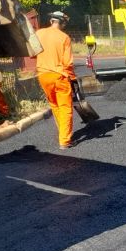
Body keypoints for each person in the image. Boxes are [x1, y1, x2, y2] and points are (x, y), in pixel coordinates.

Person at [35, 11, 76, 149]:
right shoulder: (64, 37)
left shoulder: (39, 33)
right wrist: (72, 78)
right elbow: (67, 62)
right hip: (59, 76)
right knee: (65, 107)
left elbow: (33, 53)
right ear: (62, 22)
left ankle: (63, 133)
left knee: (55, 105)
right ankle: (65, 141)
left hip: (43, 75)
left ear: (52, 20)